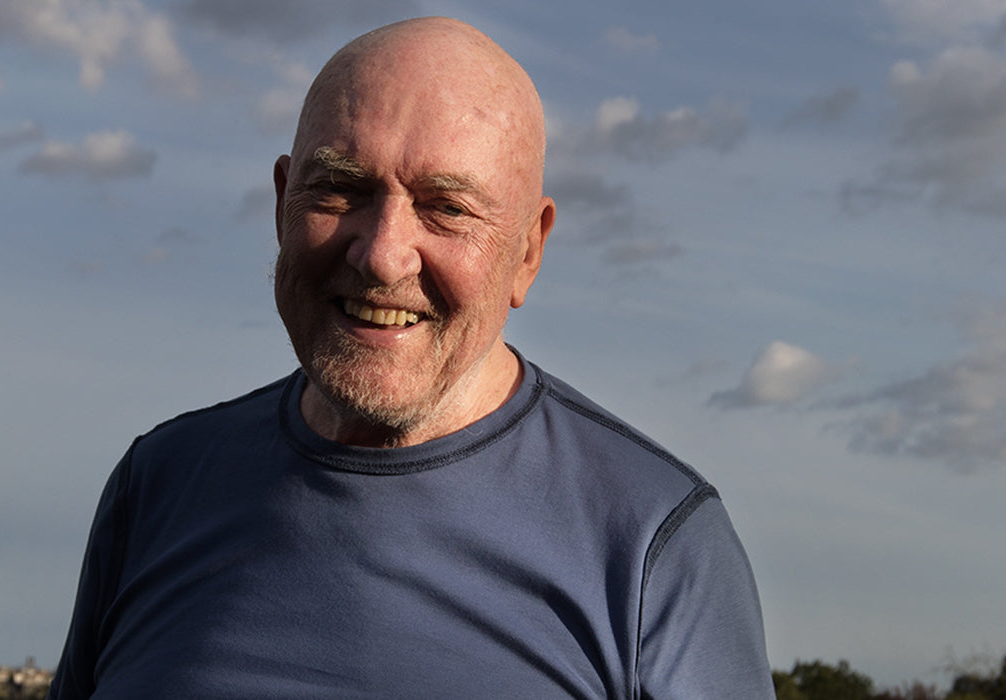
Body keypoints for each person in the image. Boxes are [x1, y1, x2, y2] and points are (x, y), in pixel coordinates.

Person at [49, 16, 775, 699]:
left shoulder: (656, 544)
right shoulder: (159, 485)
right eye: (340, 188)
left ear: (528, 252)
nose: (382, 254)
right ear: (280, 206)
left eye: (446, 207)